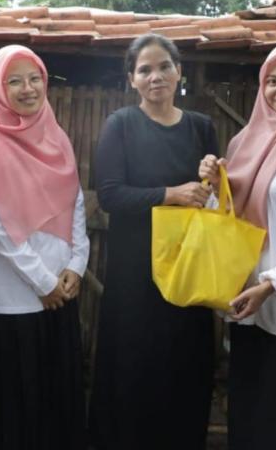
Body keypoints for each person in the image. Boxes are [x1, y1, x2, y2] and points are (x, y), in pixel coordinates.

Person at [90, 34, 218, 450]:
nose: (156, 76)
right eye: (144, 69)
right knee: (134, 366)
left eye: (164, 66)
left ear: (179, 71)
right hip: (135, 273)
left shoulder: (201, 127)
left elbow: (213, 200)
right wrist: (171, 194)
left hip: (188, 269)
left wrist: (212, 181)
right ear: (132, 79)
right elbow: (110, 195)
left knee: (185, 364)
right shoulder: (121, 125)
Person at [198, 41, 276, 449]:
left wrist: (273, 284)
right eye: (272, 81)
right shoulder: (241, 143)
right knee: (248, 387)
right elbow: (227, 214)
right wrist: (217, 185)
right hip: (243, 281)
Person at [0, 45, 89, 450]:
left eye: (35, 77)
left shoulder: (56, 136)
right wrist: (42, 281)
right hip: (13, 298)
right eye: (14, 80)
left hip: (61, 291)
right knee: (17, 406)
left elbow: (75, 203)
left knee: (57, 402)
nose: (27, 88)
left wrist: (77, 265)